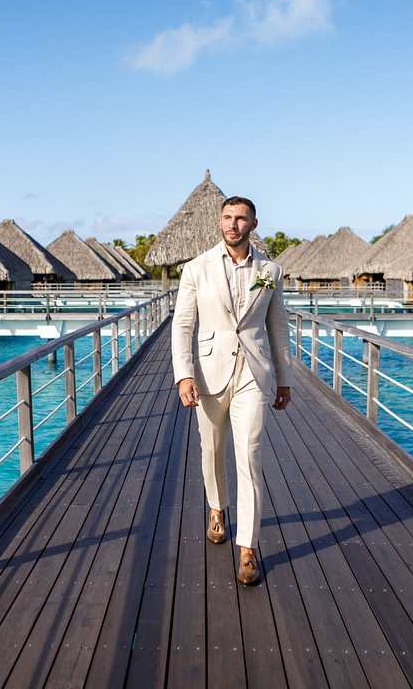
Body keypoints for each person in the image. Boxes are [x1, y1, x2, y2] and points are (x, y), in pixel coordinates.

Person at [170, 195, 292, 585]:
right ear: (220, 222)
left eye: (241, 218)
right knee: (212, 450)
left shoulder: (270, 270)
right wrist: (183, 374)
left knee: (249, 457)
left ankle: (248, 548)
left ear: (253, 224)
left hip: (253, 377)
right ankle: (217, 508)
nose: (233, 224)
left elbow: (278, 328)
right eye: (227, 217)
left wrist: (284, 378)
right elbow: (182, 326)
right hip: (208, 372)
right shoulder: (196, 268)